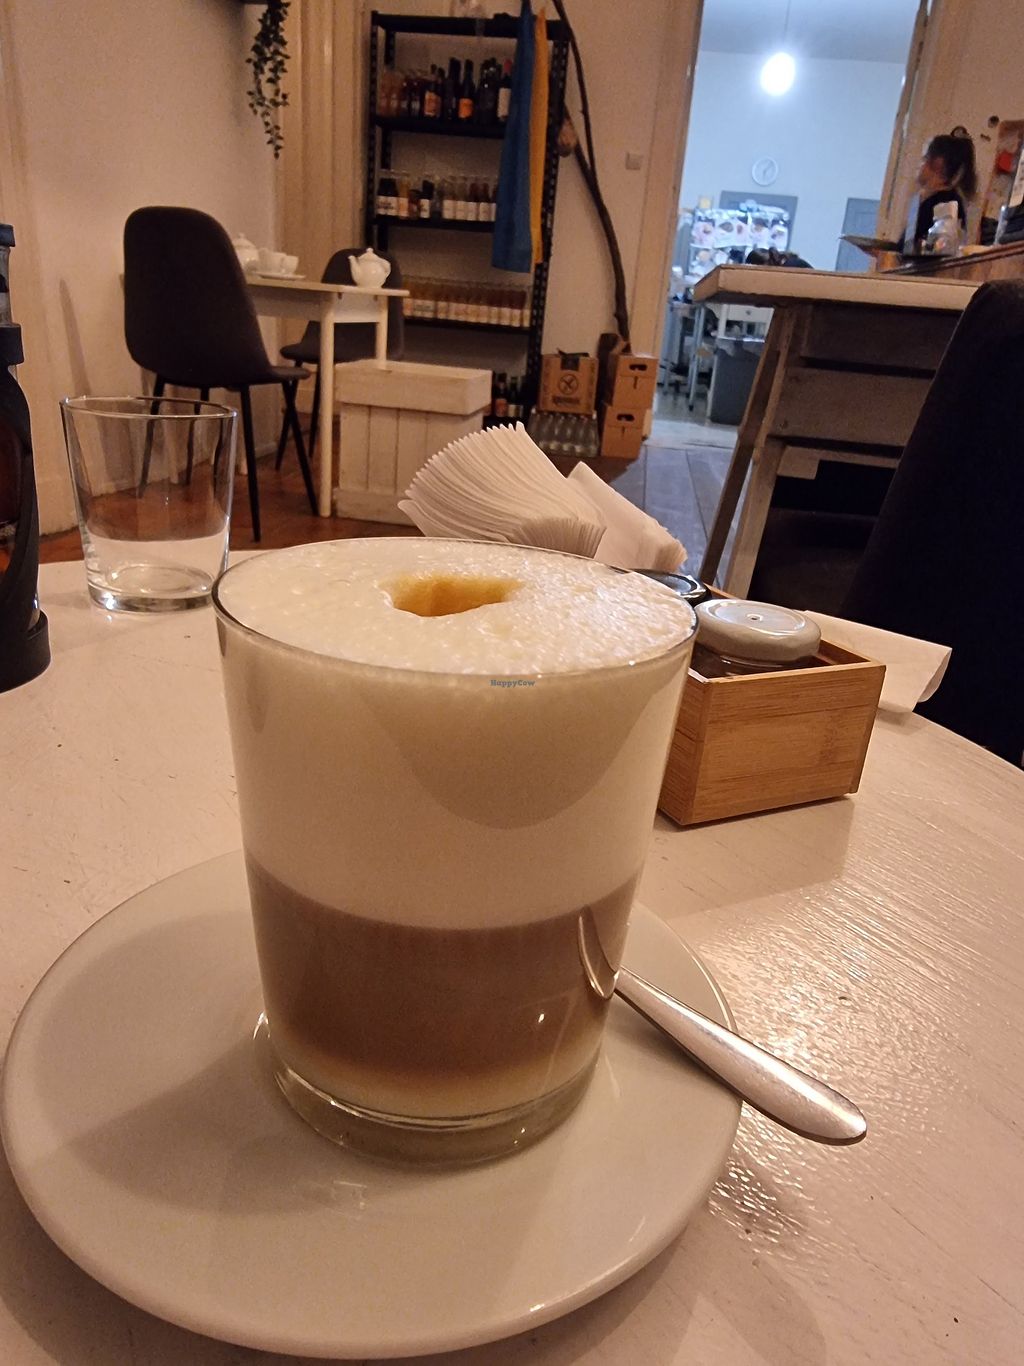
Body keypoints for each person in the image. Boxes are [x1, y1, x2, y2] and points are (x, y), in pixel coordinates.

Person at [901, 129, 977, 252]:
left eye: (924, 159)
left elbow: (936, 252)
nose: (919, 165)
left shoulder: (945, 205)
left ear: (938, 163)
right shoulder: (931, 200)